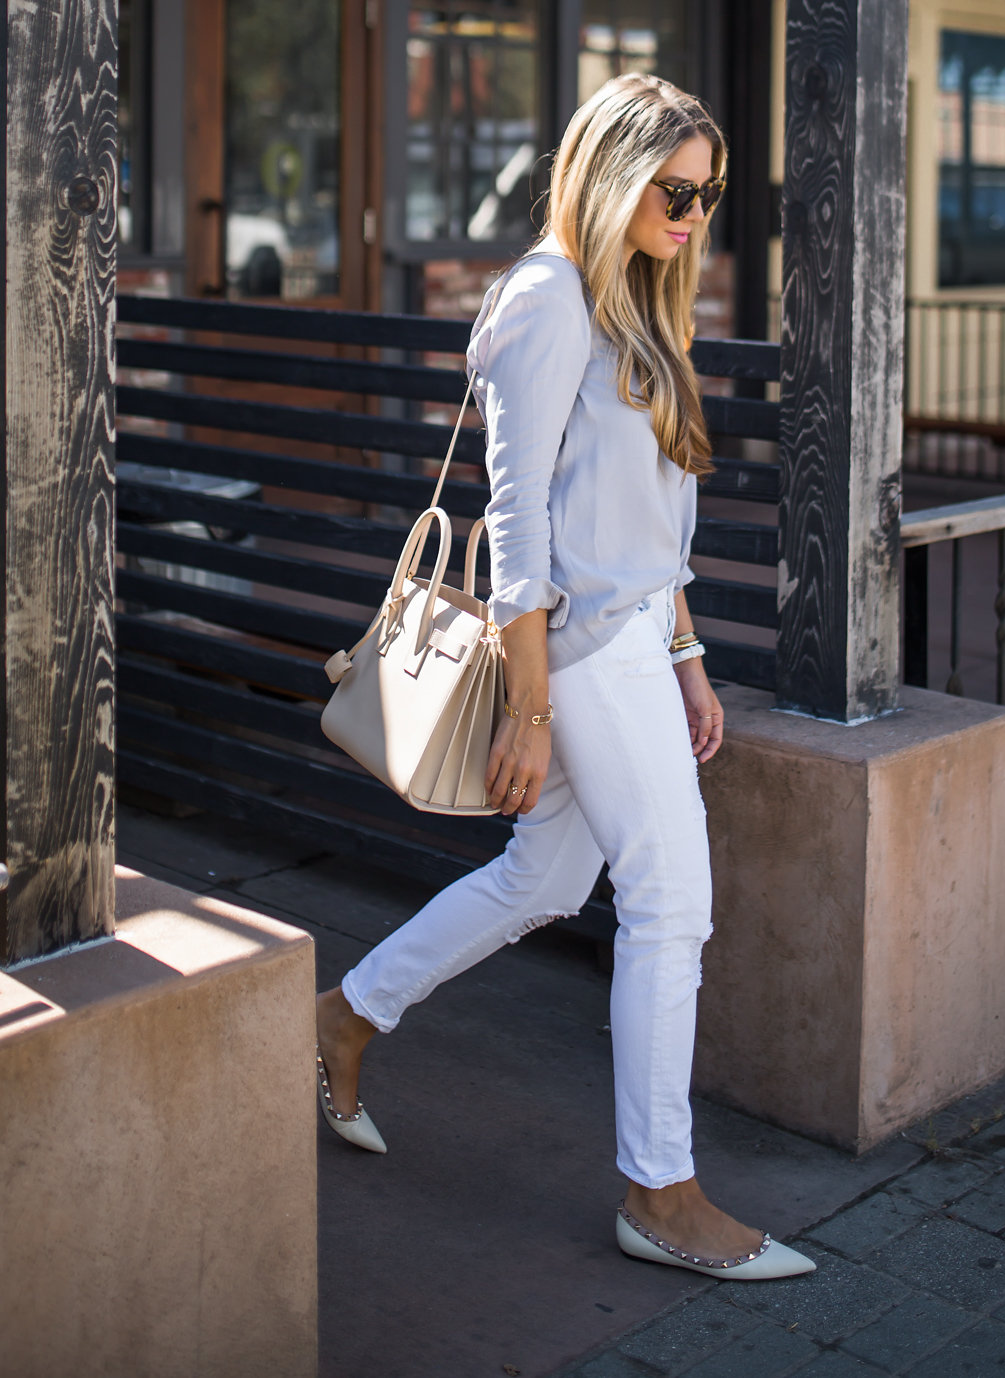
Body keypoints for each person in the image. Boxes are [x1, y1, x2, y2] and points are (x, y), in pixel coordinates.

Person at [314, 73, 814, 1279]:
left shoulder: (639, 296)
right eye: (675, 190)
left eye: (711, 193)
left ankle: (341, 1018)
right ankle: (661, 1192)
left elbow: (660, 511)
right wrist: (531, 711)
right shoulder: (545, 300)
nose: (696, 214)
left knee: (544, 875)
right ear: (609, 176)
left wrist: (690, 655)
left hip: (641, 636)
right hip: (582, 648)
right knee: (671, 904)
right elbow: (521, 521)